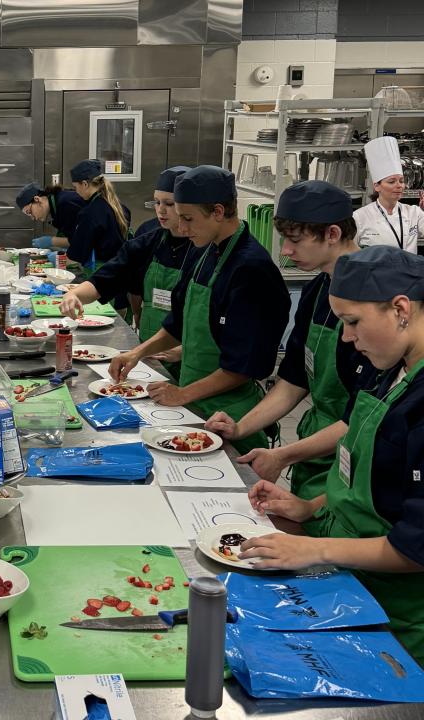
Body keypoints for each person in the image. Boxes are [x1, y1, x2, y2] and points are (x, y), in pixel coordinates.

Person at [243, 245, 424, 663]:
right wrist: (311, 508)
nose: (346, 338)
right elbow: (373, 480)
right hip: (349, 581)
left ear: (400, 308)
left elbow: (417, 546)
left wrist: (315, 550)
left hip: (396, 618)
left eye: (353, 322)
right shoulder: (389, 367)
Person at [206, 181, 369, 522]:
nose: (285, 251)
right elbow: (295, 379)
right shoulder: (316, 291)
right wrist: (241, 427)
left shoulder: (370, 302)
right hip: (315, 455)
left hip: (357, 464)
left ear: (333, 233)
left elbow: (361, 419)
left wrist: (284, 455)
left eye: (295, 240)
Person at [108, 165, 290, 455]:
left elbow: (243, 367)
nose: (181, 228)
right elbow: (178, 322)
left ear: (218, 211)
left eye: (188, 219)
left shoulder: (251, 269)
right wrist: (137, 352)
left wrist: (182, 394)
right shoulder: (203, 249)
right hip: (193, 399)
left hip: (230, 412)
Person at [61, 166, 193, 379]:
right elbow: (108, 277)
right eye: (157, 202)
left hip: (191, 359)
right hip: (149, 355)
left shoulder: (204, 251)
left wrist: (186, 351)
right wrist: (74, 295)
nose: (160, 210)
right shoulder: (148, 241)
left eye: (169, 204)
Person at [353, 136, 424, 252]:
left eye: (401, 181)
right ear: (377, 186)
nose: (399, 185)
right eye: (392, 182)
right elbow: (350, 254)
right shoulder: (359, 217)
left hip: (409, 270)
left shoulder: (414, 213)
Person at [67, 159, 131, 269]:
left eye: (75, 187)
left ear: (85, 184)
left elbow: (76, 255)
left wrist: (56, 259)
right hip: (121, 270)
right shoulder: (119, 207)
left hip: (101, 273)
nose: (76, 192)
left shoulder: (90, 213)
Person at [15, 181, 86, 250]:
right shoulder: (56, 207)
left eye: (29, 212)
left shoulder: (65, 203)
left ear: (37, 199)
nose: (33, 218)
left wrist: (52, 241)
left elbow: (83, 239)